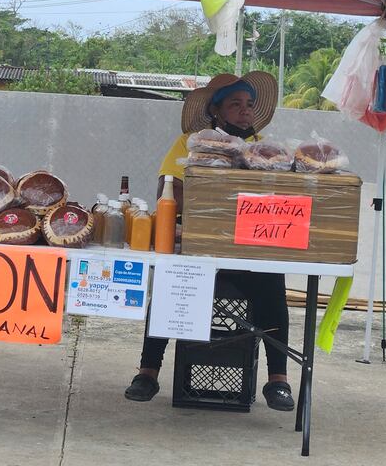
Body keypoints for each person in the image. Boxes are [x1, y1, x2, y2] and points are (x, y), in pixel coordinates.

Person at [124, 71, 294, 412]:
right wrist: (227, 193)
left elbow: (279, 200)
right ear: (215, 112)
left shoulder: (265, 148)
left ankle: (278, 380)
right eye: (235, 104)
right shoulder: (190, 143)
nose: (245, 110)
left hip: (249, 250)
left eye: (249, 104)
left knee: (273, 287)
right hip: (199, 246)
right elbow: (168, 193)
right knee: (172, 284)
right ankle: (148, 372)